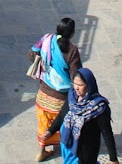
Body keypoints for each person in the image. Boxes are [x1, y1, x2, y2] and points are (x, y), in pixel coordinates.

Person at [31, 17, 83, 162]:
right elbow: (75, 75)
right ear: (72, 33)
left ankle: (41, 152)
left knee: (44, 124)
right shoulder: (72, 51)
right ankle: (67, 152)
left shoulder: (46, 40)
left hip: (43, 94)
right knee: (65, 126)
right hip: (62, 99)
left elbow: (32, 53)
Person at [48, 68, 119, 164]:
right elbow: (62, 115)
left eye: (80, 85)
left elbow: (107, 134)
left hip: (86, 151)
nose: (76, 88)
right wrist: (50, 131)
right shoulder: (72, 96)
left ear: (89, 86)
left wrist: (113, 158)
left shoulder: (99, 107)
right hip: (68, 146)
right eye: (75, 84)